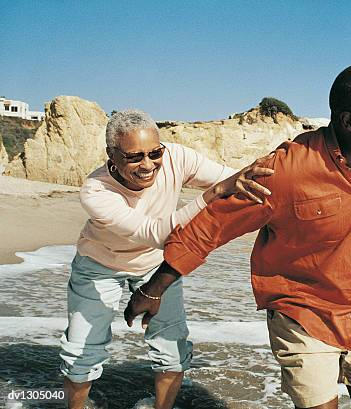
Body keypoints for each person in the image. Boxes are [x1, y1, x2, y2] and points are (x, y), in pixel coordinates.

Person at [125, 64, 351, 409]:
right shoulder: (286, 171)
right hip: (305, 315)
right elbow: (211, 226)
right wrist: (152, 289)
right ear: (350, 121)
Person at [60, 109, 273, 409]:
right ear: (112, 155)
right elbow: (153, 232)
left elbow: (230, 180)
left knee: (171, 347)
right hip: (99, 267)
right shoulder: (95, 191)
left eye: (154, 152)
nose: (148, 165)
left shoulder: (177, 158)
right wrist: (212, 195)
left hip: (156, 265)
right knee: (82, 350)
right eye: (135, 157)